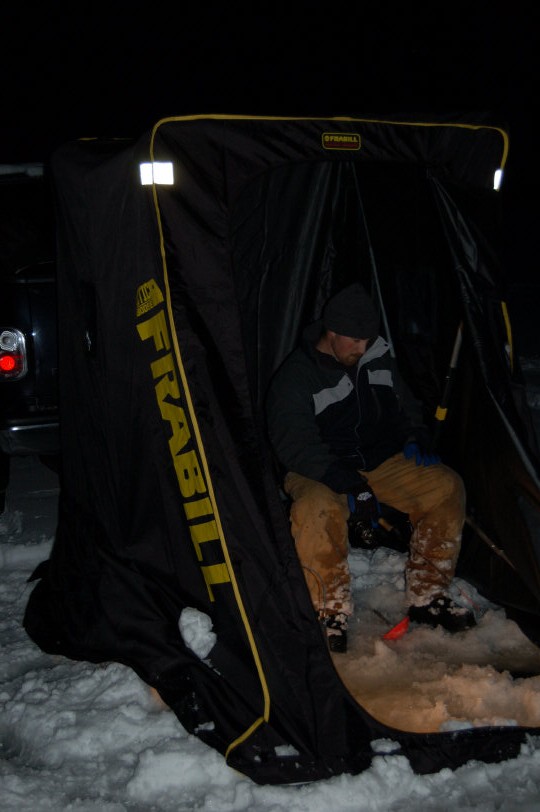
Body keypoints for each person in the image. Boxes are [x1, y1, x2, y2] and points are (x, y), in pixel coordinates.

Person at [266, 282, 475, 653]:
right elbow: (294, 444)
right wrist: (347, 482)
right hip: (320, 467)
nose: (362, 349)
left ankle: (428, 594)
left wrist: (415, 436)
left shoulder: (376, 354)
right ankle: (328, 609)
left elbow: (405, 402)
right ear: (332, 332)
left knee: (446, 486)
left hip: (378, 462)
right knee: (316, 509)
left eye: (367, 340)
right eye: (355, 341)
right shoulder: (296, 376)